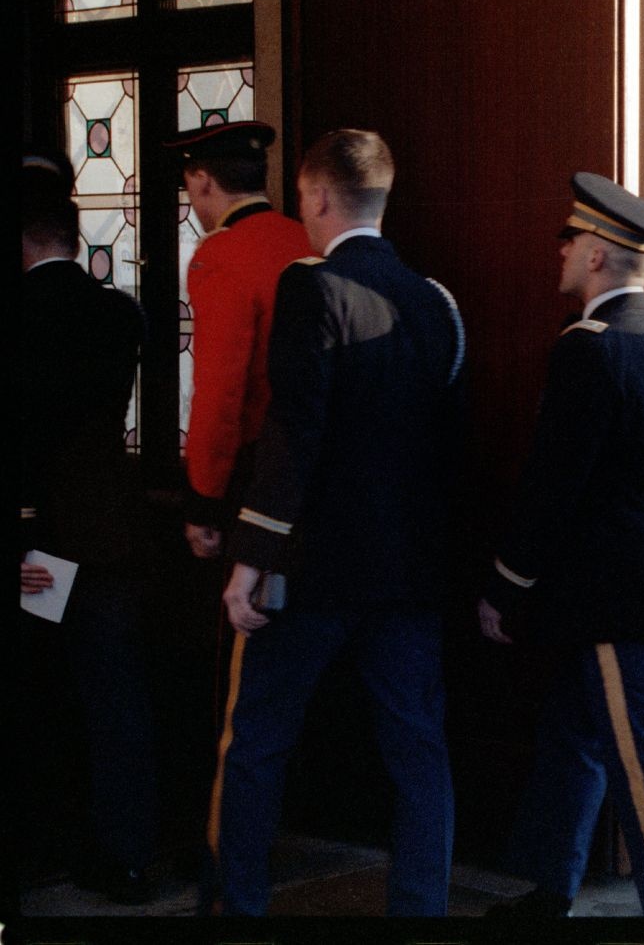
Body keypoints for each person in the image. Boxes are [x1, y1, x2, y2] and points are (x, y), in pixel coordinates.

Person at [209, 129, 466, 916]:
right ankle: (420, 914)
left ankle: (238, 912)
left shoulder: (309, 287)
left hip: (313, 566)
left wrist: (250, 556)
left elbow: (296, 431)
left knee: (255, 743)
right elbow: (447, 444)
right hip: (408, 571)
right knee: (419, 753)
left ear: (317, 196)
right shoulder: (435, 300)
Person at [477, 173, 644, 917]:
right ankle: (550, 888)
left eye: (572, 240)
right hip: (638, 588)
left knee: (641, 769)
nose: (562, 250)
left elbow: (553, 485)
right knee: (572, 739)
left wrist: (507, 584)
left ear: (601, 256)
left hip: (609, 599)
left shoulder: (589, 348)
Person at [18, 150, 158, 904]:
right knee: (116, 697)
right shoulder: (119, 313)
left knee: (42, 693)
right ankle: (128, 854)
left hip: (41, 539)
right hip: (110, 528)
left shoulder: (22, 315)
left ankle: (45, 844)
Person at [164, 121, 312, 561]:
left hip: (254, 470)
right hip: (317, 463)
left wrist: (203, 501)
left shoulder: (220, 256)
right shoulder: (306, 238)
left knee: (243, 616)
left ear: (202, 180)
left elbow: (219, 393)